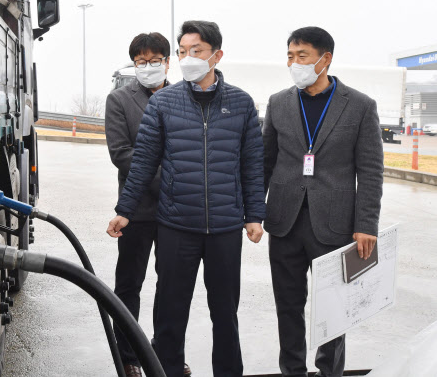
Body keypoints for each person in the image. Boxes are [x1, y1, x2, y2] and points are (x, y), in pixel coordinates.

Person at [107, 20, 266, 377]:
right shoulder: (164, 102)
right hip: (177, 225)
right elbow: (143, 162)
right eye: (182, 51)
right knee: (170, 313)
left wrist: (255, 215)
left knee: (225, 314)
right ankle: (167, 371)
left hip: (225, 227)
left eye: (196, 51)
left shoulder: (240, 104)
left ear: (216, 55)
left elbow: (253, 164)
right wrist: (124, 210)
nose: (187, 58)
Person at [263, 26, 384, 377]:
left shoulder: (360, 105)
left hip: (335, 225)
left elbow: (371, 171)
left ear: (325, 59)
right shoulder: (279, 102)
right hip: (284, 221)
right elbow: (264, 162)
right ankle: (292, 371)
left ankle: (330, 371)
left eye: (302, 56)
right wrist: (254, 211)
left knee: (335, 306)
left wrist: (366, 225)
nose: (294, 63)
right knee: (288, 304)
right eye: (290, 56)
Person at [106, 32, 192, 377]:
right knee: (129, 284)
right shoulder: (119, 100)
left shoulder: (188, 97)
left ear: (168, 62)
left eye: (154, 61)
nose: (148, 67)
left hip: (179, 211)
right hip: (136, 210)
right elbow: (122, 154)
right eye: (141, 62)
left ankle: (167, 355)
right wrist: (169, 177)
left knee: (173, 286)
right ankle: (128, 355)